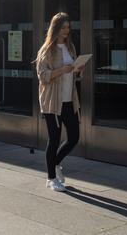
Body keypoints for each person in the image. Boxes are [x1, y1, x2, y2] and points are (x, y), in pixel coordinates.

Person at [35, 12, 85, 192]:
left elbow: (72, 72)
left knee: (74, 137)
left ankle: (55, 164)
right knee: (54, 139)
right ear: (56, 28)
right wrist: (61, 70)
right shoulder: (47, 50)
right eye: (63, 27)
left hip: (69, 100)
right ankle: (51, 179)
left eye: (68, 27)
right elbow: (42, 76)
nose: (66, 31)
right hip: (52, 103)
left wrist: (78, 69)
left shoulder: (70, 47)